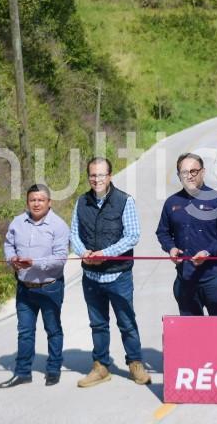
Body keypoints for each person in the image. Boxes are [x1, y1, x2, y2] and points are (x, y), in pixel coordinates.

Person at [71, 157, 150, 387]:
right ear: (89, 177)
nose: (97, 179)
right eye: (93, 175)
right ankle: (101, 366)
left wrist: (106, 253)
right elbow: (73, 234)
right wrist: (83, 252)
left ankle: (135, 364)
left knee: (126, 322)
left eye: (101, 175)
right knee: (98, 324)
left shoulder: (125, 201)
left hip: (118, 275)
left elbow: (132, 235)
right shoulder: (81, 202)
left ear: (110, 176)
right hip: (91, 277)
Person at [0, 184, 69, 388]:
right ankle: (22, 372)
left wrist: (35, 263)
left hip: (50, 287)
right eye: (32, 200)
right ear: (27, 202)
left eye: (41, 200)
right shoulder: (17, 222)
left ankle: (53, 370)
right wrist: (11, 258)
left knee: (53, 329)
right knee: (25, 331)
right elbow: (8, 244)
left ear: (49, 202)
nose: (36, 203)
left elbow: (60, 258)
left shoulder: (58, 225)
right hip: (24, 287)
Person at [156, 153, 217, 315]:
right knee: (190, 331)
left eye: (193, 171)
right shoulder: (172, 203)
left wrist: (207, 252)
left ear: (203, 172)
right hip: (185, 278)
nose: (189, 176)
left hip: (214, 278)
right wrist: (170, 248)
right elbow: (162, 232)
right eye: (184, 172)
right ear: (179, 176)